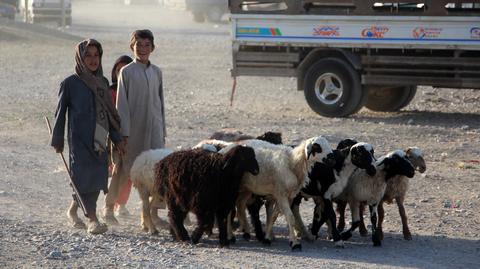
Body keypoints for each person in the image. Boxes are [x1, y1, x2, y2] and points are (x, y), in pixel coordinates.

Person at [51, 39, 124, 234]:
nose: (92, 60)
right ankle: (92, 219)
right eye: (88, 55)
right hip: (79, 139)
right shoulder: (70, 83)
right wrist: (57, 139)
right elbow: (60, 114)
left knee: (97, 178)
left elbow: (109, 113)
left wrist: (117, 138)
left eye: (96, 55)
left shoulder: (102, 82)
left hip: (100, 137)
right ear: (80, 58)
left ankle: (73, 210)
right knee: (83, 177)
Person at [103, 29, 167, 224]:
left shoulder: (156, 72)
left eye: (147, 45)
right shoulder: (127, 72)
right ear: (132, 47)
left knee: (156, 171)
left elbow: (160, 103)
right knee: (124, 170)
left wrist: (162, 130)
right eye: (139, 45)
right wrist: (124, 135)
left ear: (153, 48)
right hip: (132, 133)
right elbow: (121, 104)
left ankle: (152, 214)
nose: (143, 49)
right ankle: (108, 208)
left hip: (154, 130)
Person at [109, 55, 133, 217]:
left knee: (129, 172)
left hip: (131, 135)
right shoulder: (110, 92)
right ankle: (110, 204)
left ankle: (121, 204)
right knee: (117, 169)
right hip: (114, 136)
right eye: (119, 70)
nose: (121, 74)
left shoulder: (134, 92)